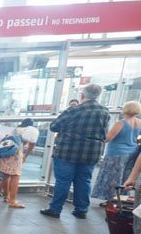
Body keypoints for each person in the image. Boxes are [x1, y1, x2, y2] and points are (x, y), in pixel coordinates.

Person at [40, 83, 110, 219]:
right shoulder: (105, 112)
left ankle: (55, 209)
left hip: (68, 151)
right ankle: (81, 209)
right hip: (91, 153)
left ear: (82, 95)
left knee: (63, 181)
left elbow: (54, 126)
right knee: (84, 180)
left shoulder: (74, 110)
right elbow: (104, 133)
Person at [91, 101, 141, 202]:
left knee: (112, 177)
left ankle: (111, 200)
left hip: (116, 153)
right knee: (124, 177)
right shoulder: (139, 122)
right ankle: (121, 199)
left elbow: (108, 138)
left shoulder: (121, 123)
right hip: (132, 153)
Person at [0, 119, 36, 209]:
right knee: (15, 176)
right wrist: (26, 155)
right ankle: (13, 201)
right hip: (15, 154)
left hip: (5, 152)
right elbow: (32, 144)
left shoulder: (14, 130)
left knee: (5, 175)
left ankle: (6, 197)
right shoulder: (30, 131)